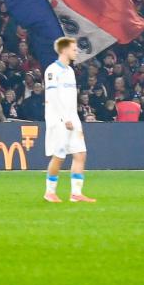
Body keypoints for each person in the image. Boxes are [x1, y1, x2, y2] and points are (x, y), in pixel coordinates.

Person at [43, 37, 93, 203]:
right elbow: (53, 97)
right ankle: (49, 192)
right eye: (74, 49)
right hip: (59, 120)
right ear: (64, 50)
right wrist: (64, 118)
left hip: (73, 118)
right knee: (59, 156)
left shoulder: (70, 71)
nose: (76, 51)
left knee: (80, 154)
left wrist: (73, 116)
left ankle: (76, 193)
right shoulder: (52, 70)